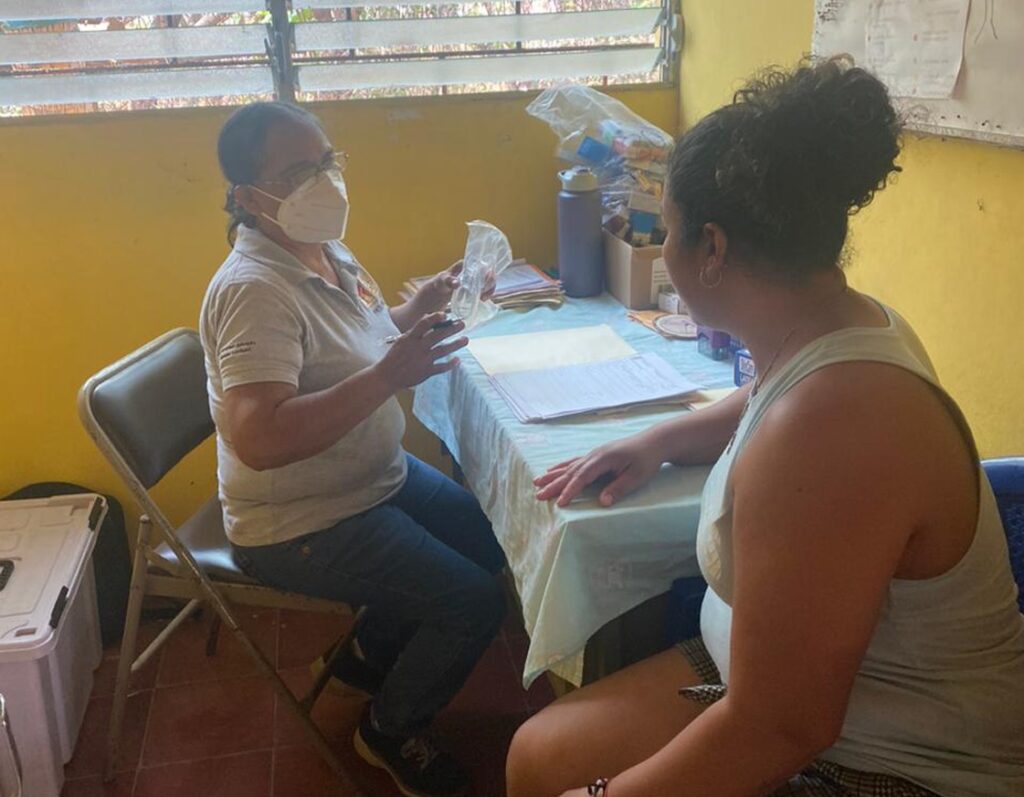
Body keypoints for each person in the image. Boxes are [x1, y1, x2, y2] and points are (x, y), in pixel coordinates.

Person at [506, 59, 1024, 797]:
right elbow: (767, 391)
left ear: (712, 248)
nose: (665, 246)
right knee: (536, 756)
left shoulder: (834, 429)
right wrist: (657, 442)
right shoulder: (840, 323)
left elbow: (783, 726)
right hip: (768, 684)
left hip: (886, 760)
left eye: (669, 228)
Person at [200, 101, 506, 797]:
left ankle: (366, 654)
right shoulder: (252, 291)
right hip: (299, 519)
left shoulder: (325, 251)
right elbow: (259, 438)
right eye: (297, 172)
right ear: (249, 197)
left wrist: (419, 307)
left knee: (489, 543)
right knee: (473, 604)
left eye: (327, 161)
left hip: (372, 478)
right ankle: (390, 729)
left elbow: (361, 342)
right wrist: (389, 376)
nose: (324, 182)